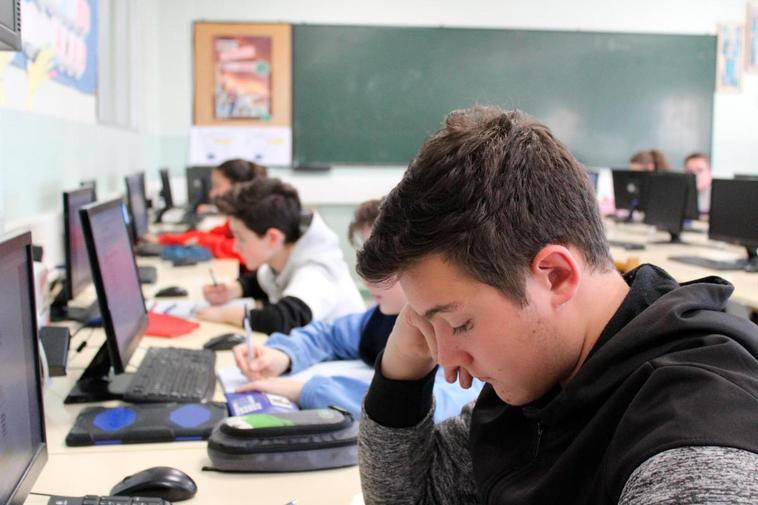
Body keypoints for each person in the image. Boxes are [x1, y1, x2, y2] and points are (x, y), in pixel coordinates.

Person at [355, 106, 758, 504]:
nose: (447, 362)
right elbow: (411, 496)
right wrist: (402, 366)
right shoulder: (543, 374)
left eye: (459, 323)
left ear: (556, 275)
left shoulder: (691, 447)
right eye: (427, 326)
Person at [230, 199, 482, 421]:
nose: (367, 280)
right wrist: (283, 355)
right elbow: (330, 335)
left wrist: (306, 390)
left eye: (382, 265)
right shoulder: (380, 318)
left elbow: (430, 408)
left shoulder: (459, 337)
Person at [196, 177, 365, 334]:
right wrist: (235, 289)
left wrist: (224, 315)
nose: (235, 246)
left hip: (342, 361)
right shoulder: (286, 252)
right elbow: (266, 280)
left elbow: (284, 319)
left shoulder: (317, 270)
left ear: (273, 237)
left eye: (241, 238)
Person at [154, 159, 267, 261]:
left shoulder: (257, 217)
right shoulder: (239, 216)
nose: (212, 193)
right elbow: (212, 234)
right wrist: (163, 239)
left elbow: (240, 250)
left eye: (217, 186)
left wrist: (202, 240)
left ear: (237, 186)